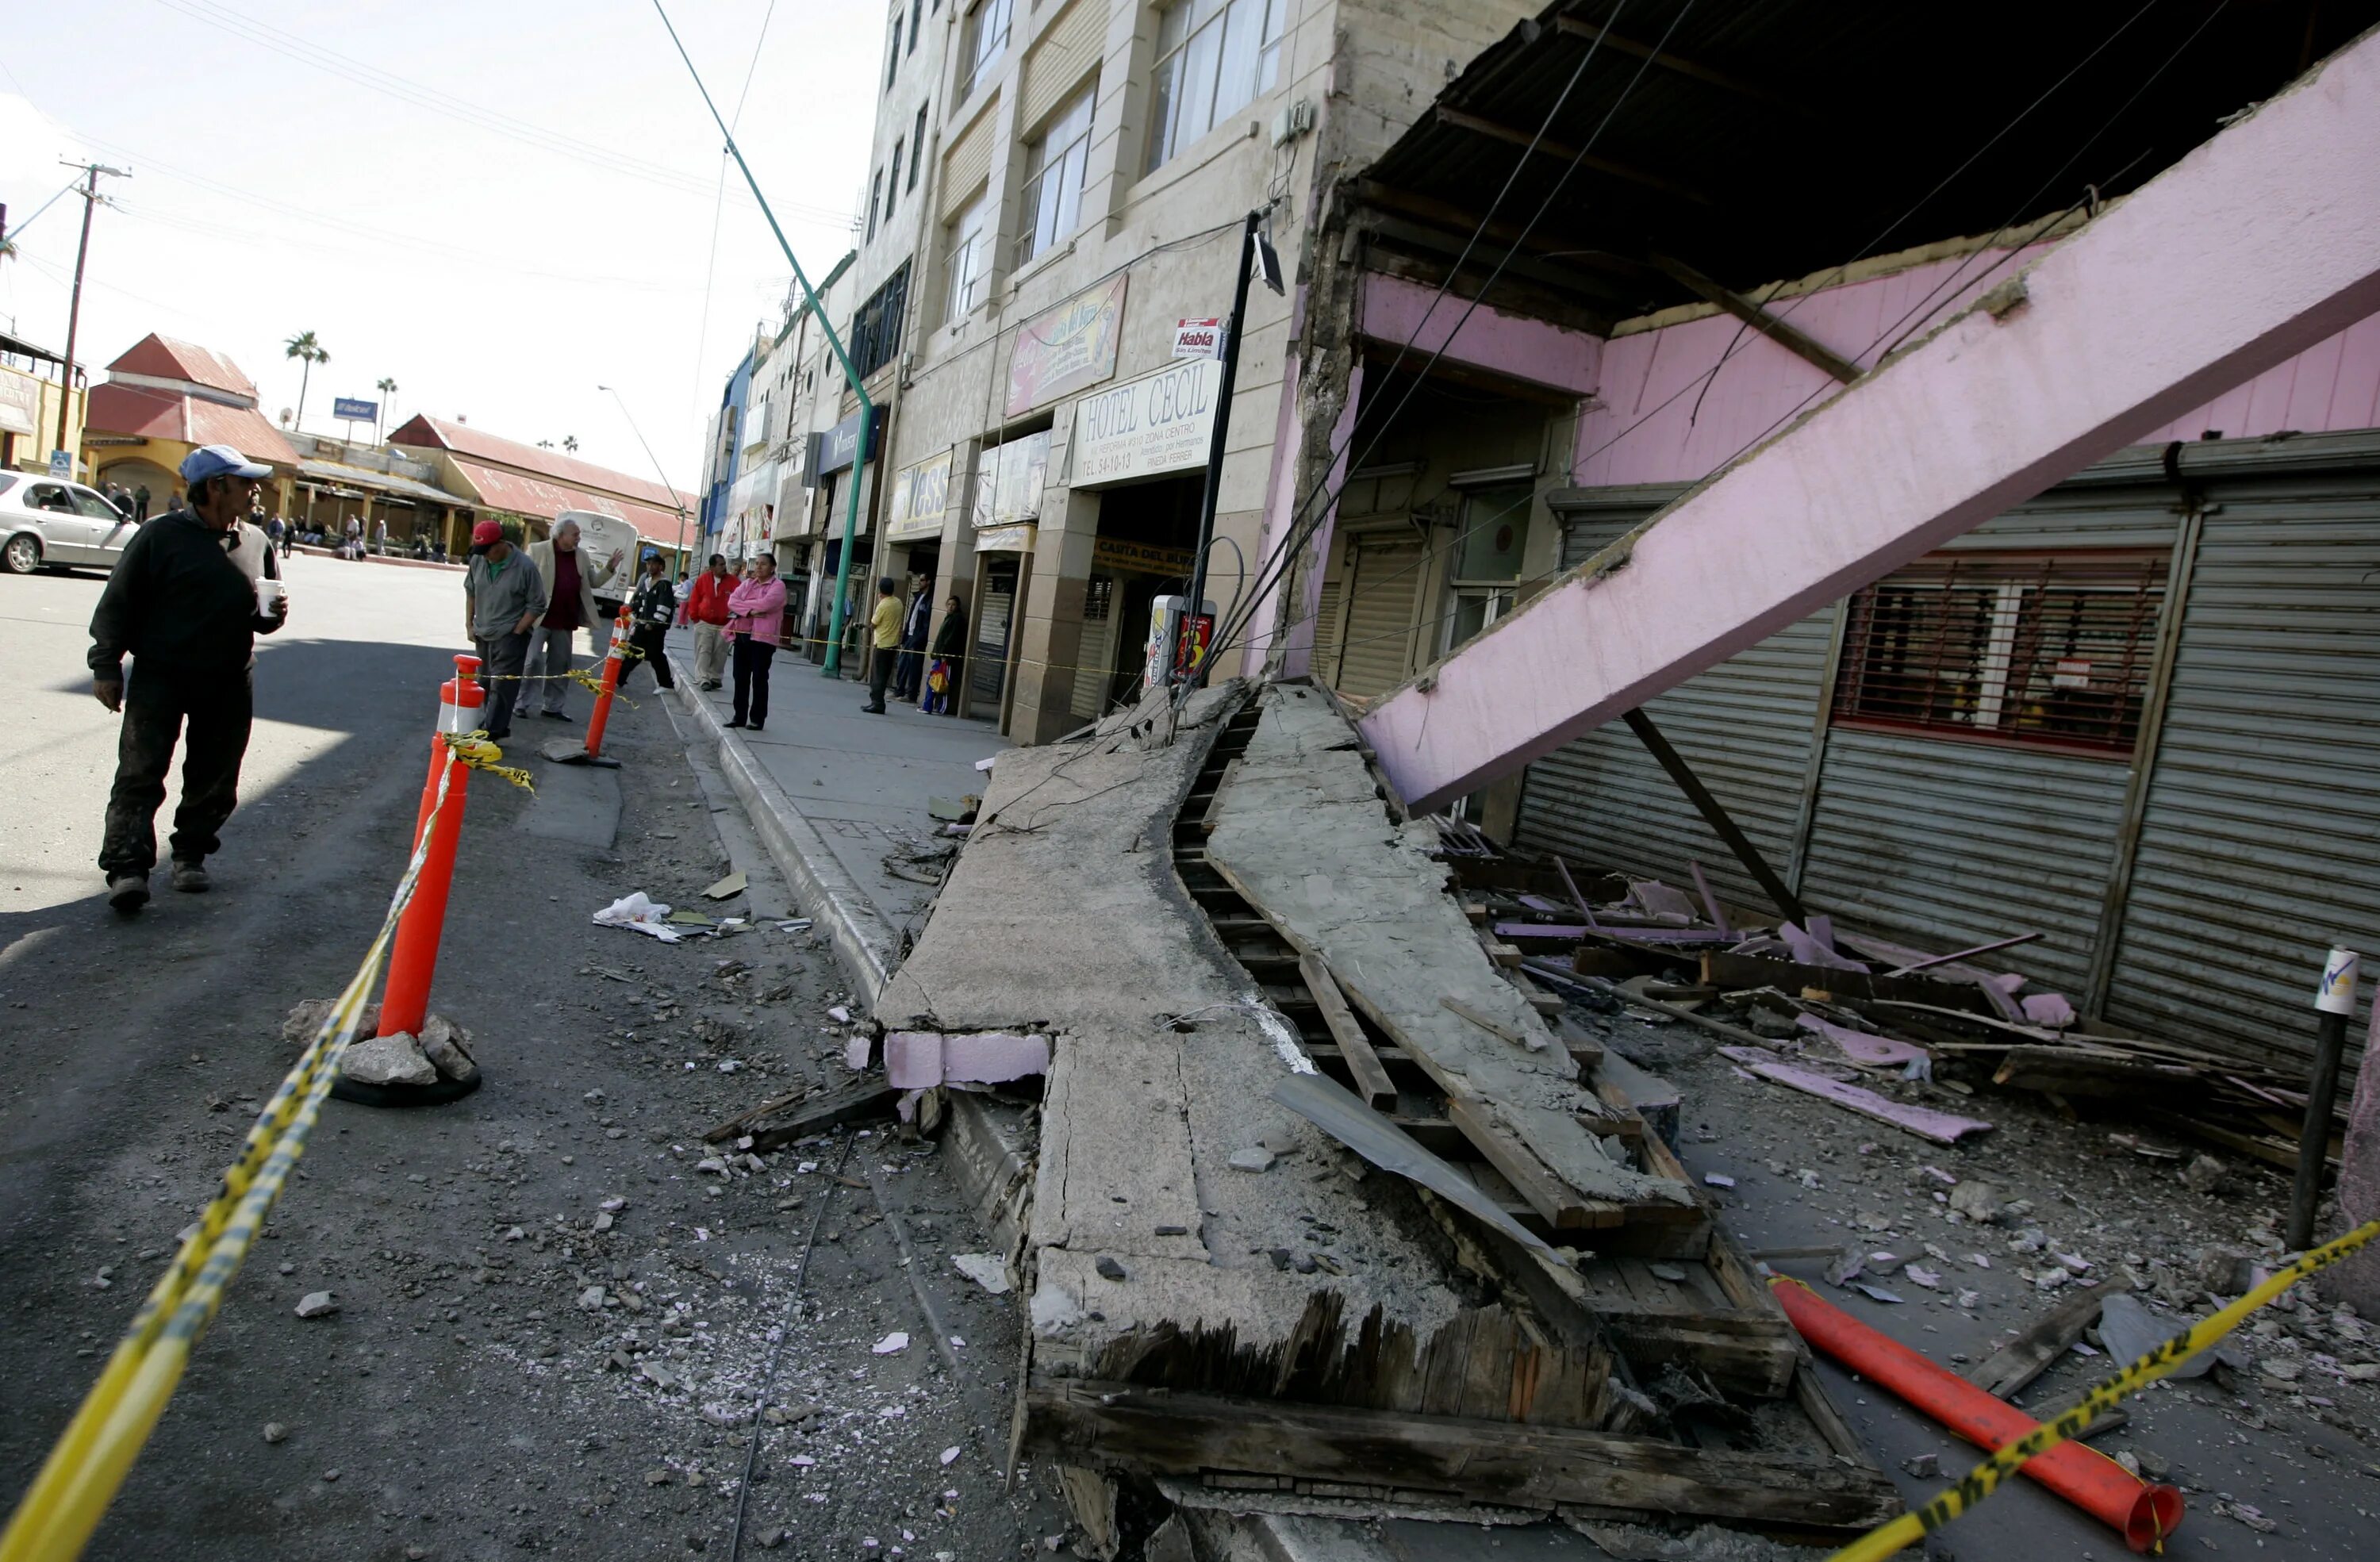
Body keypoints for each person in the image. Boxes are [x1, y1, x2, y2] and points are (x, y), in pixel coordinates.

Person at [87, 444, 291, 913]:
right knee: (140, 775)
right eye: (244, 482)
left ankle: (190, 856)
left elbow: (261, 617)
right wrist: (106, 666)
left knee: (216, 778)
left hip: (228, 680)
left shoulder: (257, 542)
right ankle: (128, 870)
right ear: (215, 487)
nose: (255, 490)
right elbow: (118, 603)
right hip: (161, 677)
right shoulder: (160, 536)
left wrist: (273, 616)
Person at [524, 519, 624, 722]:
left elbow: (594, 581)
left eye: (579, 534)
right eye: (575, 534)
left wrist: (610, 568)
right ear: (560, 535)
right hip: (539, 618)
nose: (579, 538)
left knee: (560, 665)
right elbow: (523, 580)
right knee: (531, 661)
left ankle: (552, 707)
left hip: (565, 619)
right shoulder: (537, 550)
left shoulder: (582, 555)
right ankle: (522, 703)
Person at [463, 520, 543, 743]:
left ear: (500, 544)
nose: (484, 556)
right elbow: (471, 592)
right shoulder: (479, 560)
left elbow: (537, 604)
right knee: (486, 681)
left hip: (510, 634)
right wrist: (469, 624)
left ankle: (492, 730)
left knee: (502, 684)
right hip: (484, 632)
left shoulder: (525, 567)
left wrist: (517, 631)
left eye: (487, 550)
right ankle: (493, 723)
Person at [724, 555, 785, 731]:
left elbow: (766, 604)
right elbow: (732, 602)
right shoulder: (748, 583)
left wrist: (744, 606)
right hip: (742, 635)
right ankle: (739, 716)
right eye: (757, 564)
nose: (759, 567)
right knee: (740, 676)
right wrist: (750, 611)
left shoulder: (778, 586)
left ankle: (757, 719)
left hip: (763, 639)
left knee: (759, 678)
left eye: (763, 564)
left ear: (773, 567)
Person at [617, 553, 678, 693]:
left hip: (654, 628)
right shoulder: (646, 581)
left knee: (655, 655)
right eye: (648, 564)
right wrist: (631, 608)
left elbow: (665, 607)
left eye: (653, 564)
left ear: (661, 566)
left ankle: (666, 685)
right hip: (642, 625)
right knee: (633, 653)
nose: (650, 566)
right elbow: (641, 600)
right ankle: (619, 678)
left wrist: (655, 623)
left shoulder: (664, 585)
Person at [681, 553, 735, 690]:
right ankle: (703, 678)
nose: (724, 567)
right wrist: (695, 617)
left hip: (725, 624)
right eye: (721, 565)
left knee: (720, 652)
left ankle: (715, 677)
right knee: (703, 650)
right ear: (712, 567)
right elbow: (694, 599)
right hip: (704, 622)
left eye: (724, 564)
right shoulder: (703, 580)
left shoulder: (733, 581)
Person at [862, 576, 902, 715]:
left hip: (882, 644)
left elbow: (873, 624)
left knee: (877, 676)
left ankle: (877, 703)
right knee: (884, 676)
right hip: (893, 644)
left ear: (880, 590)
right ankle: (878, 703)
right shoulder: (898, 603)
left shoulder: (883, 605)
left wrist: (881, 601)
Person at [922, 594, 965, 715]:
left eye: (954, 605)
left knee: (943, 682)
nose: (951, 607)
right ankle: (927, 706)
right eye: (949, 604)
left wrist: (944, 654)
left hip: (947, 658)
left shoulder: (957, 619)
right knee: (933, 680)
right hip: (940, 656)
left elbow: (951, 639)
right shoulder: (948, 618)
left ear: (957, 607)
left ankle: (941, 708)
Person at [892, 574, 932, 703]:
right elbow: (911, 618)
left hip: (917, 638)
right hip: (909, 634)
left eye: (922, 580)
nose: (919, 582)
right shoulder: (918, 597)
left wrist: (919, 639)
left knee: (914, 667)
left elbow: (927, 624)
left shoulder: (930, 600)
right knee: (903, 664)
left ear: (928, 582)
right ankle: (899, 690)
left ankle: (911, 694)